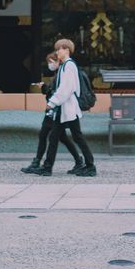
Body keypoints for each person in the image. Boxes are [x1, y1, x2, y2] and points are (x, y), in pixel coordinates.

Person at [32, 38, 96, 177]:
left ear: (66, 49)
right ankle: (88, 165)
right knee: (69, 136)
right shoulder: (66, 65)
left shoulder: (69, 66)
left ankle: (48, 167)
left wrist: (52, 102)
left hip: (66, 107)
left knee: (59, 137)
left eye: (59, 49)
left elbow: (66, 88)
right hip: (66, 108)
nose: (57, 51)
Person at [20, 52, 84, 175]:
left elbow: (59, 93)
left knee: (54, 136)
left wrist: (47, 92)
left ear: (58, 61)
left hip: (57, 110)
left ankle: (41, 164)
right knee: (56, 136)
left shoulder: (63, 72)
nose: (50, 64)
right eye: (48, 62)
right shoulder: (57, 74)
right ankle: (77, 160)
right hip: (53, 110)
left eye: (51, 61)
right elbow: (52, 92)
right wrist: (45, 88)